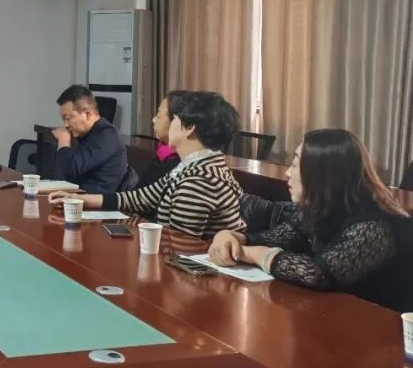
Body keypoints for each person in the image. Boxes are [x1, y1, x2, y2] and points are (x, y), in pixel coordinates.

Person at [209, 129, 411, 311]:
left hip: (385, 328)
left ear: (322, 175)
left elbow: (317, 273)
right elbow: (276, 238)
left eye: (295, 165)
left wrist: (254, 253)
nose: (287, 173)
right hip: (341, 314)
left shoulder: (373, 226)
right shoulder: (320, 208)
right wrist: (231, 236)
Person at [51, 91, 245, 238]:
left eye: (176, 119)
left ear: (189, 128)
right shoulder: (189, 168)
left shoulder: (200, 180)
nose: (169, 123)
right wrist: (79, 199)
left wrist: (136, 230)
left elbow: (181, 246)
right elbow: (139, 198)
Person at [41, 85, 128, 193]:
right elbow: (60, 174)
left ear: (87, 113)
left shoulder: (108, 135)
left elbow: (68, 170)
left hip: (93, 201)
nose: (66, 125)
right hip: (75, 197)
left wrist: (64, 140)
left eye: (68, 118)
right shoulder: (87, 135)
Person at [136, 90, 189, 189]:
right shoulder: (163, 153)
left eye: (159, 116)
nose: (153, 120)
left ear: (178, 122)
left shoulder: (176, 166)